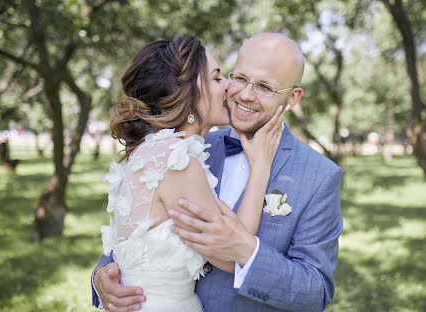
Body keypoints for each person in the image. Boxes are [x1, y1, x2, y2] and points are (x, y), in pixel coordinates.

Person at [93, 33, 343, 312]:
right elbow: (138, 232)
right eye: (239, 78)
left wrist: (248, 252)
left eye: (264, 87)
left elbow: (314, 291)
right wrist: (102, 276)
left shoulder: (320, 176)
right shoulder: (190, 149)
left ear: (293, 97)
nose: (245, 94)